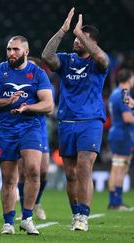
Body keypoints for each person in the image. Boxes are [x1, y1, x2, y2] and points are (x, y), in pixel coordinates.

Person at [41, 8, 109, 231]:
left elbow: (100, 57)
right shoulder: (66, 60)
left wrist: (80, 33)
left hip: (90, 121)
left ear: (92, 42)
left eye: (83, 39)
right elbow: (46, 57)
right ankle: (76, 214)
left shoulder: (98, 63)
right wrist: (63, 31)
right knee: (70, 174)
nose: (77, 41)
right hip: (66, 121)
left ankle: (84, 216)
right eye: (77, 38)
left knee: (84, 169)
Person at [0, 35, 54, 235]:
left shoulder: (38, 73)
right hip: (5, 129)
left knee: (33, 170)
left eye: (16, 50)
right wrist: (7, 102)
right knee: (8, 178)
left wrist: (27, 107)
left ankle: (28, 218)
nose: (11, 53)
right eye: (9, 49)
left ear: (26, 52)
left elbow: (48, 104)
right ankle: (8, 222)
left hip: (31, 126)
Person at [16, 57, 51, 221]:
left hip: (39, 129)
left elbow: (49, 108)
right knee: (23, 172)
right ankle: (25, 209)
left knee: (42, 171)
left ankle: (36, 202)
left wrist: (31, 106)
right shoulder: (18, 83)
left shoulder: (43, 82)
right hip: (20, 128)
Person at [107, 69, 134, 211]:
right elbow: (127, 117)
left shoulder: (115, 93)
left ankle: (115, 200)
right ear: (129, 79)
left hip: (116, 132)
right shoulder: (124, 93)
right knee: (120, 167)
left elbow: (130, 105)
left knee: (117, 166)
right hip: (123, 134)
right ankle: (116, 202)